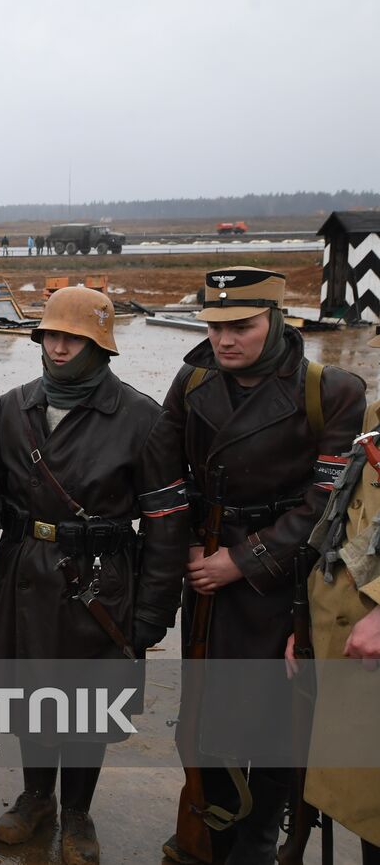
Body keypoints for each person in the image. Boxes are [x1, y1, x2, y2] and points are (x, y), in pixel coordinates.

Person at [0, 287, 190, 864]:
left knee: (86, 704)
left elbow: (167, 524)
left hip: (99, 579)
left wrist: (154, 610)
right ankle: (37, 797)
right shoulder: (13, 406)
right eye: (50, 336)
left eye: (73, 338)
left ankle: (78, 812)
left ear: (100, 345)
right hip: (24, 570)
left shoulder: (142, 417)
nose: (58, 348)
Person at [160, 266, 364, 864]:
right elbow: (162, 474)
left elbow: (329, 501)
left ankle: (260, 839)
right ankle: (214, 830)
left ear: (276, 319)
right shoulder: (193, 381)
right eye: (215, 325)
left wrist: (243, 562)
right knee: (207, 714)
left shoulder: (332, 390)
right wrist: (190, 547)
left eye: (241, 326)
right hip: (208, 573)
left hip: (286, 584)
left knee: (279, 720)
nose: (225, 340)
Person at [286, 325, 380, 863]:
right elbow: (350, 528)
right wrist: (306, 623)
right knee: (364, 800)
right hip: (343, 632)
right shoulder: (374, 420)